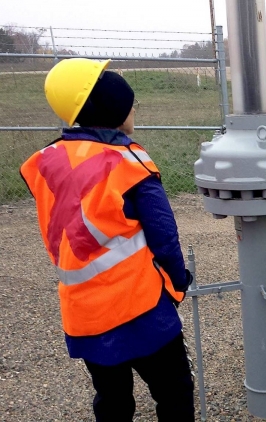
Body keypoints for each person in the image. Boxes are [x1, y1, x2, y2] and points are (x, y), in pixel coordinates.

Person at [20, 58, 195, 421]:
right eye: (132, 105)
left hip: (82, 312)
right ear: (117, 111)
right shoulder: (128, 161)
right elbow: (164, 235)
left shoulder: (46, 160)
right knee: (174, 392)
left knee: (113, 400)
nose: (135, 110)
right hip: (140, 307)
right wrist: (179, 281)